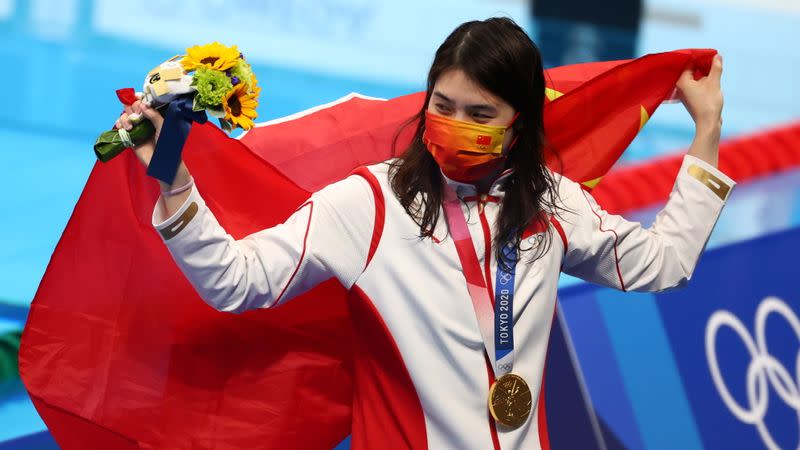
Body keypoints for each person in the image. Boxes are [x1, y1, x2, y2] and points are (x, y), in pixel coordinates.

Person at [116, 17, 731, 450]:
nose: (453, 125)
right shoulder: (368, 204)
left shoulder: (551, 202)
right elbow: (236, 282)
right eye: (443, 106)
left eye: (479, 114)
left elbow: (665, 264)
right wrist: (174, 182)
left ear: (520, 123)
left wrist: (707, 129)